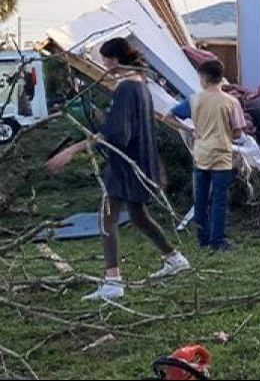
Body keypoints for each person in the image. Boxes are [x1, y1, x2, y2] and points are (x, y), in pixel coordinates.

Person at [44, 37, 190, 301]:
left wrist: (73, 149)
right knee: (137, 214)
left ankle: (113, 282)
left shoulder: (125, 88)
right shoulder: (141, 85)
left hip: (124, 162)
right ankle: (174, 258)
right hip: (140, 159)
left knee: (106, 217)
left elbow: (118, 134)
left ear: (113, 60)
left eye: (104, 60)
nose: (103, 65)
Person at [190, 59, 240, 251]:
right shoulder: (231, 102)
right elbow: (238, 132)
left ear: (204, 78)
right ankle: (217, 240)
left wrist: (192, 130)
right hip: (222, 155)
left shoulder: (194, 99)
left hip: (201, 154)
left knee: (200, 200)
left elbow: (169, 115)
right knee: (219, 201)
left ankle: (202, 238)